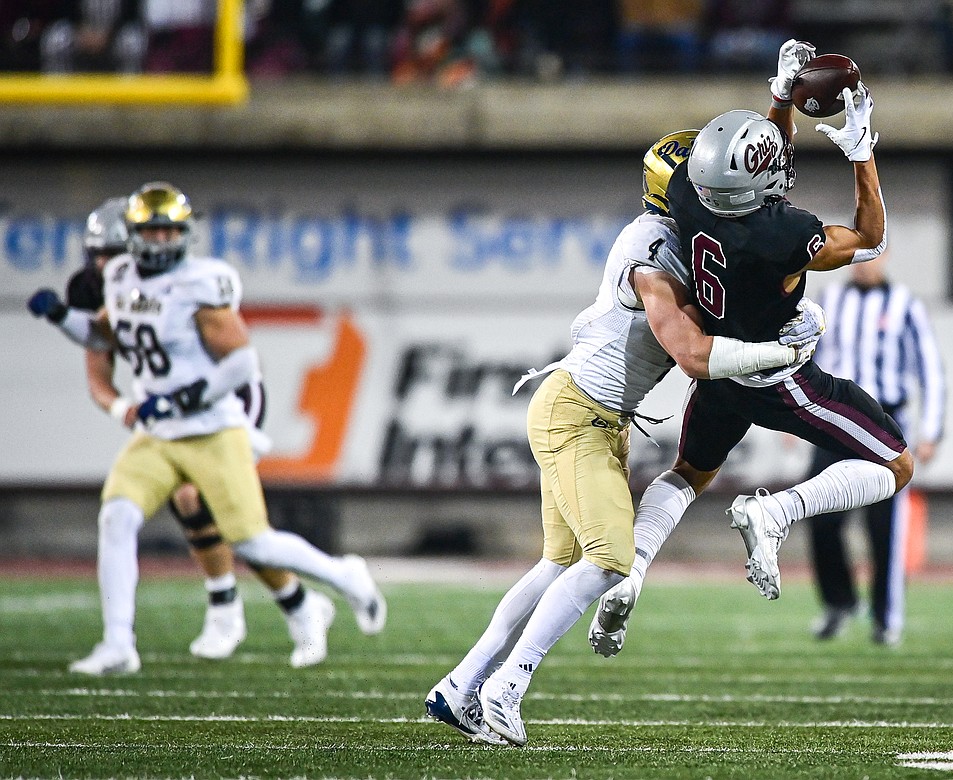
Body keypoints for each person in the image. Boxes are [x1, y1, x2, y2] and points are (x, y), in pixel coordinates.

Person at [424, 131, 825, 747]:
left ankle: (461, 685)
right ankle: (507, 688)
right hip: (578, 413)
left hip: (595, 417)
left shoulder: (683, 238)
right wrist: (779, 347)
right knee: (609, 561)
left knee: (558, 564)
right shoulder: (653, 246)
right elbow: (693, 351)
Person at [587, 39, 914, 656]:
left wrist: (781, 99)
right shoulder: (782, 233)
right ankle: (778, 513)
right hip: (774, 375)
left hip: (717, 377)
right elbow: (870, 238)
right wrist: (861, 149)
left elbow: (764, 165)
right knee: (896, 466)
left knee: (688, 473)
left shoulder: (687, 195)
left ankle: (628, 572)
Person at [27, 181, 387, 675]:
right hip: (158, 433)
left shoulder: (201, 282)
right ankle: (118, 644)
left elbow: (242, 364)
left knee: (252, 539)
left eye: (166, 233)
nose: (156, 244)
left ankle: (341, 578)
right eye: (147, 234)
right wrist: (62, 317)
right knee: (117, 517)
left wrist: (190, 395)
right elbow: (101, 336)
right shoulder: (119, 279)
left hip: (211, 425)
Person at [804, 251, 945, 646]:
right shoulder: (829, 301)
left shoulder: (905, 305)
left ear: (885, 260)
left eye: (873, 257)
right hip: (833, 421)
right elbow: (806, 356)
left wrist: (930, 430)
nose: (865, 265)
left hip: (884, 424)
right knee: (819, 514)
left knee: (884, 527)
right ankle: (840, 602)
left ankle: (886, 619)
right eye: (860, 258)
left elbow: (929, 369)